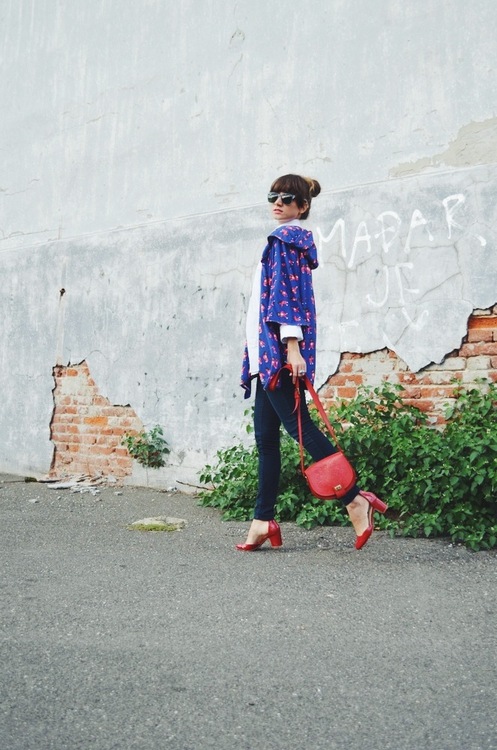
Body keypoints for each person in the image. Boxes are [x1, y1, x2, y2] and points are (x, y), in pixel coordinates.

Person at [237, 174, 387, 552]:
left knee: (299, 428)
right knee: (267, 440)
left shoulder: (284, 241)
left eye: (287, 198)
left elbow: (285, 299)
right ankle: (263, 520)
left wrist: (292, 347)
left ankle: (354, 499)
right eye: (273, 196)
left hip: (276, 355)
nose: (278, 202)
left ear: (302, 206)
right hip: (266, 356)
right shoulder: (289, 242)